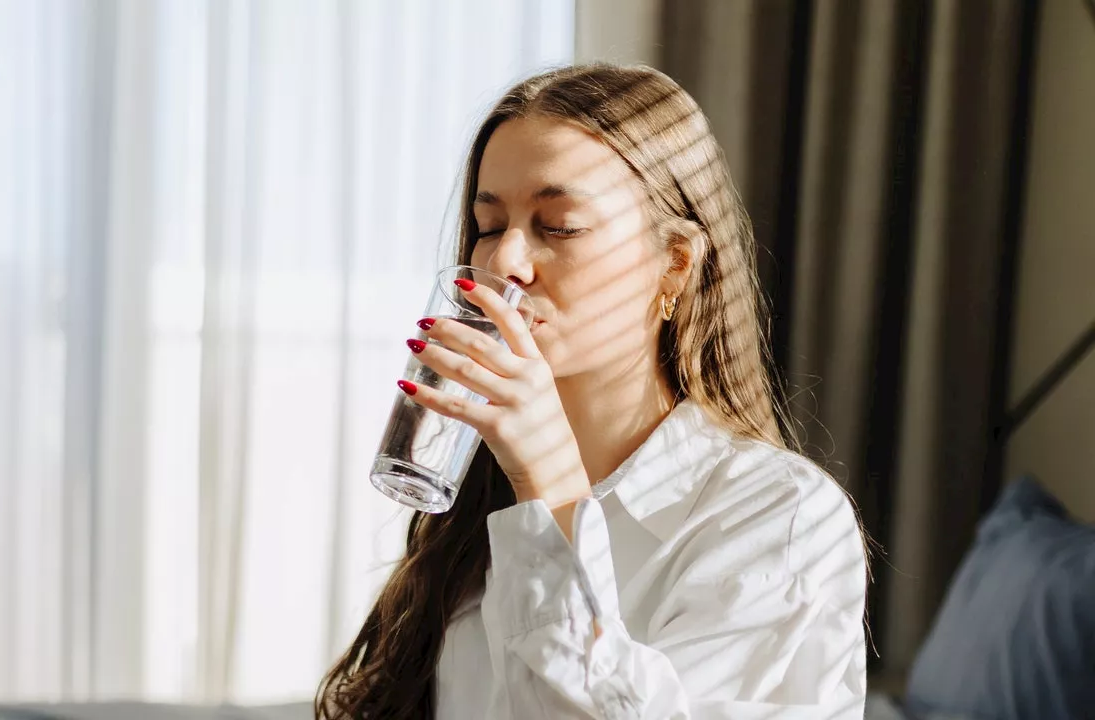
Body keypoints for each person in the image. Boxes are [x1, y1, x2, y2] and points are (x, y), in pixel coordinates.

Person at [316, 63, 868, 719]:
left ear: (675, 264)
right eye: (489, 225)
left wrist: (550, 486)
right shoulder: (477, 516)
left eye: (559, 226)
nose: (503, 263)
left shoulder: (778, 519)